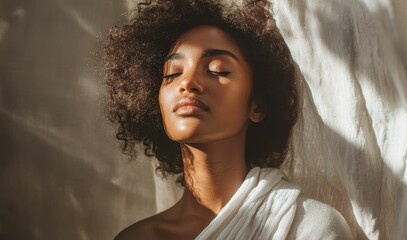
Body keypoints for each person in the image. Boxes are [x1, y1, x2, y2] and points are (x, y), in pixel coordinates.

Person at [103, 0, 354, 239]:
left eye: (217, 70)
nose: (187, 83)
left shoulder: (308, 227)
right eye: (172, 74)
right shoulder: (137, 237)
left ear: (257, 105)